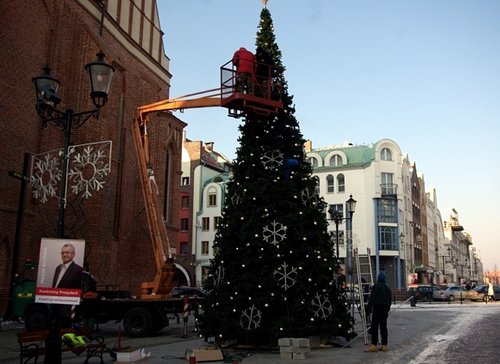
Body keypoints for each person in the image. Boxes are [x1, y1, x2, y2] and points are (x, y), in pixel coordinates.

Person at [365, 272, 392, 352]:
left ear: (378, 279)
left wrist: (368, 308)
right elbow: (389, 301)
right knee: (383, 327)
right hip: (384, 308)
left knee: (375, 326)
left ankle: (374, 345)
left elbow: (372, 298)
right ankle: (384, 345)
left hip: (377, 307)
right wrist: (387, 309)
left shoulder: (376, 287)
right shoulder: (387, 288)